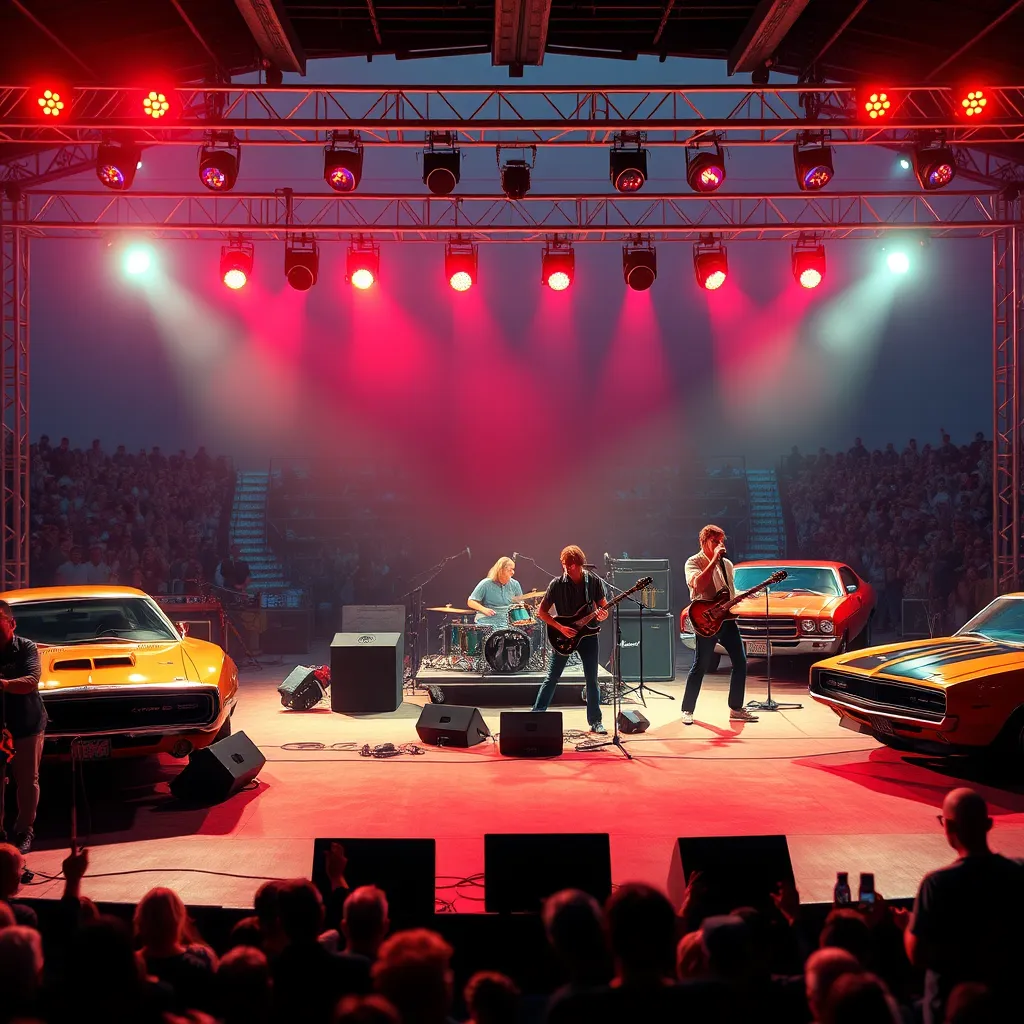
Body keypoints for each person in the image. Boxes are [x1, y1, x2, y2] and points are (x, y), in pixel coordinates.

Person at [905, 787, 1024, 1024]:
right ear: (989, 824)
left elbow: (916, 954)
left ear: (948, 826)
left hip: (948, 1008)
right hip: (1006, 1004)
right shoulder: (1018, 873)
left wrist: (908, 925)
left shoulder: (937, 884)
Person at [680, 525, 758, 725]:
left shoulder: (728, 564)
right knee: (701, 665)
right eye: (715, 541)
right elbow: (698, 585)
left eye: (721, 541)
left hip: (727, 620)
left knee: (740, 662)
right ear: (703, 541)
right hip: (705, 620)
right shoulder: (693, 562)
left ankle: (736, 708)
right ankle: (687, 710)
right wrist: (714, 559)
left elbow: (728, 592)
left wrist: (742, 596)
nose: (719, 545)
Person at [531, 546, 608, 734]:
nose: (565, 568)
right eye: (564, 564)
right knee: (552, 677)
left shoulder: (594, 581)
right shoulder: (556, 584)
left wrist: (603, 614)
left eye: (569, 565)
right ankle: (536, 716)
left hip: (588, 636)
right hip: (563, 636)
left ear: (578, 565)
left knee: (592, 679)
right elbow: (541, 612)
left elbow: (604, 607)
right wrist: (560, 628)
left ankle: (595, 721)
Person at [0, 600, 44, 853]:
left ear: (12, 624)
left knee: (27, 780)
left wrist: (3, 684)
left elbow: (30, 680)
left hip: (27, 722)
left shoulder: (26, 647)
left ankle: (24, 830)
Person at [467, 556, 523, 628]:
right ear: (501, 570)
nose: (513, 572)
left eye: (513, 569)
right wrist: (484, 609)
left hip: (508, 621)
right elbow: (470, 602)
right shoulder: (486, 583)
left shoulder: (515, 584)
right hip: (487, 620)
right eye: (510, 570)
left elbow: (521, 604)